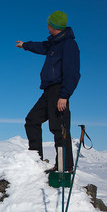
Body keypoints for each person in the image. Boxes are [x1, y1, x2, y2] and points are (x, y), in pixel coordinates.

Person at [16, 11, 80, 172]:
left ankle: (64, 167)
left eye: (48, 24)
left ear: (54, 26)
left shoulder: (69, 45)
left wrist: (64, 95)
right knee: (32, 120)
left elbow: (72, 73)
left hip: (59, 90)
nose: (47, 26)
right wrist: (25, 45)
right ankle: (35, 159)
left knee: (58, 127)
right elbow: (41, 46)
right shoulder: (54, 43)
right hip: (48, 90)